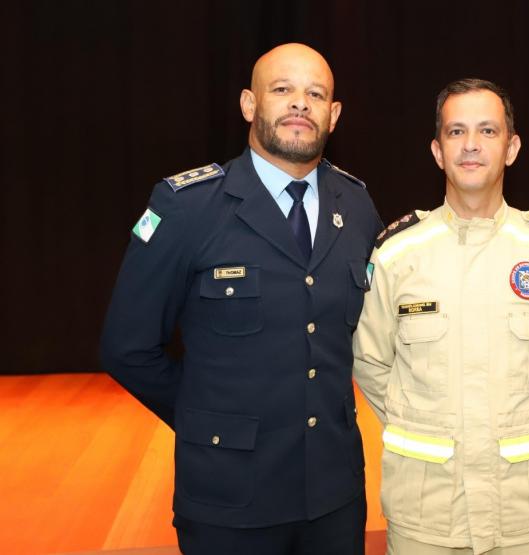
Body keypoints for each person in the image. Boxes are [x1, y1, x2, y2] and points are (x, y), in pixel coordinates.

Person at [99, 43, 382, 555]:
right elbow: (127, 348)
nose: (300, 103)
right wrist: (208, 423)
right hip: (229, 499)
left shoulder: (358, 206)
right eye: (282, 89)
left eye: (315, 94)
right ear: (250, 105)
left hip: (334, 497)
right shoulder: (188, 207)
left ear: (334, 114)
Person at [352, 79, 529, 555]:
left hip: (526, 516)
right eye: (456, 132)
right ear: (438, 151)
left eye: (488, 130)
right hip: (426, 516)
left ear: (512, 148)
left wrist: (521, 432)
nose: (472, 145)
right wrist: (425, 424)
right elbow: (371, 363)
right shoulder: (397, 253)